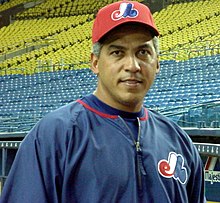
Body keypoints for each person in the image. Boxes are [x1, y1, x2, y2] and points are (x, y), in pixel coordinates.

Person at [0, 1, 206, 202]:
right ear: (95, 63)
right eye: (117, 52)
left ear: (157, 63)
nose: (133, 65)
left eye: (143, 52)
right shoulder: (55, 135)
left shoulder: (179, 141)